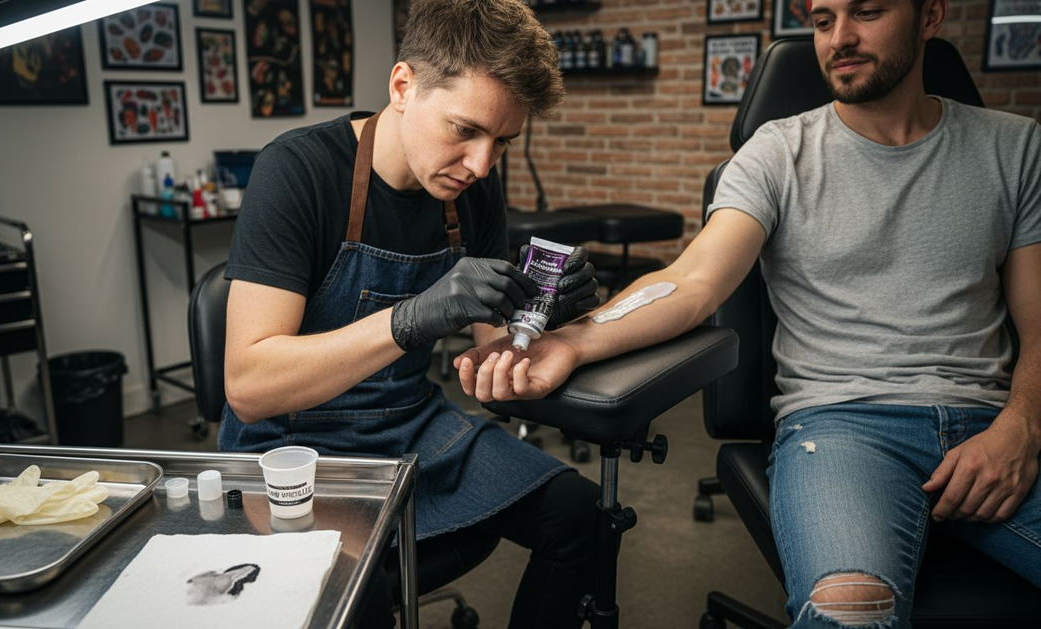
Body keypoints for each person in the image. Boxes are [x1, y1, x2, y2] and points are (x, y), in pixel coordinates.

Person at [456, 0, 1041, 625]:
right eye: (822, 20)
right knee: (851, 612)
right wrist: (570, 343)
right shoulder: (777, 154)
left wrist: (1022, 426)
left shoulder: (1014, 147)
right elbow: (691, 281)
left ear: (930, 17)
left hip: (992, 420)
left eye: (866, 11)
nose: (839, 38)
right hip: (844, 430)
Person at [219, 0, 601, 626]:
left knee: (580, 516)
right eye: (464, 131)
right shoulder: (298, 172)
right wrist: (408, 320)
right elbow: (250, 386)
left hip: (410, 428)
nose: (481, 164)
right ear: (403, 86)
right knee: (351, 588)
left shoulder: (472, 189)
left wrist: (543, 315)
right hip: (290, 450)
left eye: (503, 142)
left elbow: (492, 356)